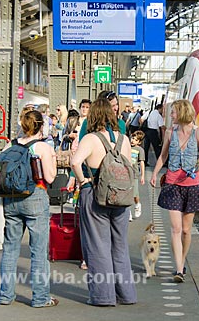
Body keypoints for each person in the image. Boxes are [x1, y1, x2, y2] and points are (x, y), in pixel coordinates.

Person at [71, 98, 137, 306]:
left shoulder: (90, 138)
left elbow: (75, 161)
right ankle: (126, 294)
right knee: (120, 246)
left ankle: (103, 296)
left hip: (96, 194)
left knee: (98, 246)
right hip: (121, 197)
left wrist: (83, 181)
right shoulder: (124, 139)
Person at [0, 110, 58, 308]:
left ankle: (6, 295)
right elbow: (49, 178)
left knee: (10, 249)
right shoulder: (42, 147)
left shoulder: (11, 145)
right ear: (41, 126)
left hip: (11, 199)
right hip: (35, 198)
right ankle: (40, 297)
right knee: (38, 251)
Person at [149, 99, 199, 283]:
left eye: (173, 112)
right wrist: (155, 173)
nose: (171, 115)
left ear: (182, 113)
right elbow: (163, 155)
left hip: (191, 185)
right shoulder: (169, 133)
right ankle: (178, 269)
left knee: (185, 230)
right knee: (175, 228)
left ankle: (182, 261)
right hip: (172, 184)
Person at [129, 130, 146, 221]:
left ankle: (137, 204)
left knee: (135, 194)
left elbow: (142, 163)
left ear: (139, 142)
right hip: (127, 173)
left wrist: (142, 176)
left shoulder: (140, 150)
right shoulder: (127, 147)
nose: (132, 141)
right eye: (132, 138)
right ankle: (128, 213)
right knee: (128, 193)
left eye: (135, 140)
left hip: (135, 174)